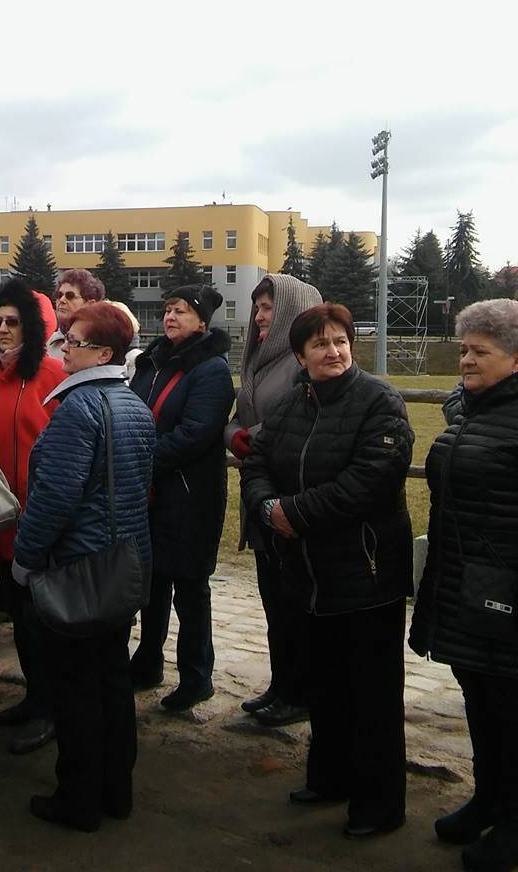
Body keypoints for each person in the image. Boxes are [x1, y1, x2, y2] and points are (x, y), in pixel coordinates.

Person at [241, 302, 413, 840]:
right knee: (326, 686)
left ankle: (378, 803)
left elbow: (372, 480)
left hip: (365, 575)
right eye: (319, 344)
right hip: (307, 577)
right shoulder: (295, 403)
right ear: (300, 356)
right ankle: (330, 778)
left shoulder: (379, 401)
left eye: (339, 341)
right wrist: (269, 508)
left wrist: (296, 514)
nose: (332, 351)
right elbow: (256, 460)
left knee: (372, 696)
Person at [13, 303, 154, 832]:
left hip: (80, 570)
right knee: (111, 683)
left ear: (105, 353)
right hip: (122, 567)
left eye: (74, 341)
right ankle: (116, 791)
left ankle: (78, 799)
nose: (63, 348)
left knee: (76, 689)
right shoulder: (132, 404)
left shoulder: (79, 407)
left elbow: (54, 497)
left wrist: (26, 560)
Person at [409, 299, 518, 869]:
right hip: (465, 578)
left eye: (481, 352)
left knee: (510, 703)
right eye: (464, 348)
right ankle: (489, 798)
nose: (466, 360)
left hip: (506, 586)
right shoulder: (471, 407)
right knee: (479, 695)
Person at [129, 285, 235, 710]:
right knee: (151, 585)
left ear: (203, 322)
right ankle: (147, 662)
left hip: (190, 495)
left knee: (190, 588)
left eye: (183, 311)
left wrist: (137, 457)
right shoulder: (152, 362)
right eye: (169, 310)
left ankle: (196, 676)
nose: (171, 317)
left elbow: (196, 433)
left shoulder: (210, 369)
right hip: (150, 493)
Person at [224, 274, 321, 727]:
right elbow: (236, 418)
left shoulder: (305, 361)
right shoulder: (261, 359)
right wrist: (237, 436)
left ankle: (301, 691)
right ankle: (282, 684)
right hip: (259, 491)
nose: (260, 317)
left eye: (268, 308)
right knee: (273, 600)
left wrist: (252, 439)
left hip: (291, 496)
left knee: (294, 602)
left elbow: (303, 416)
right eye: (258, 308)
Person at [0, 278, 65, 754]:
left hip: (40, 522)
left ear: (32, 328)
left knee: (41, 622)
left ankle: (52, 708)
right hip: (0, 521)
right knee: (19, 619)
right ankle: (35, 696)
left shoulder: (52, 374)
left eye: (14, 322)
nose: (5, 329)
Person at [46, 270, 105, 359]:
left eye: (70, 296)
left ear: (91, 304)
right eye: (59, 294)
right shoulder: (46, 342)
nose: (62, 300)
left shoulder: (100, 344)